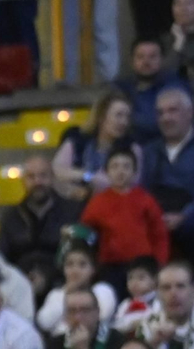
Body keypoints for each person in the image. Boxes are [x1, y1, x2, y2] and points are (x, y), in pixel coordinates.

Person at [83, 148, 170, 286]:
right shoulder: (97, 203)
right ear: (106, 171)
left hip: (142, 264)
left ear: (135, 172)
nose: (120, 171)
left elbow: (159, 234)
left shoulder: (146, 200)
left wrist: (159, 263)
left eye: (126, 166)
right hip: (109, 265)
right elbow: (86, 233)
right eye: (115, 166)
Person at [0, 157, 85, 272]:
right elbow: (2, 260)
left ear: (53, 178)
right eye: (31, 177)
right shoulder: (11, 217)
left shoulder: (73, 212)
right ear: (23, 181)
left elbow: (82, 257)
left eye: (43, 176)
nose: (37, 182)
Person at [53, 89, 140, 198]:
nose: (124, 122)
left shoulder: (131, 148)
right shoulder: (78, 140)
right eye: (119, 115)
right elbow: (58, 170)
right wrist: (89, 176)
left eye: (127, 117)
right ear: (101, 116)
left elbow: (135, 182)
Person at [139, 87, 194, 256]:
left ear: (190, 112)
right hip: (154, 228)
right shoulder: (148, 152)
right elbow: (141, 191)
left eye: (172, 111)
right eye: (160, 113)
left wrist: (185, 217)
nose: (166, 118)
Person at [116, 38, 191, 145]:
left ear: (162, 59)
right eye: (140, 57)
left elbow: (153, 123)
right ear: (132, 61)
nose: (146, 62)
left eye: (152, 56)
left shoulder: (174, 85)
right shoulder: (123, 86)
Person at [36, 246, 120, 335]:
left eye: (82, 265)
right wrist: (66, 292)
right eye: (69, 264)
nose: (75, 270)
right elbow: (44, 323)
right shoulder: (56, 294)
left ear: (93, 269)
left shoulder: (103, 290)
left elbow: (101, 316)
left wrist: (61, 327)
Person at [138, 260, 194, 349]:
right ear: (157, 292)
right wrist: (155, 342)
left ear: (192, 289)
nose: (173, 294)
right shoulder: (146, 325)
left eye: (180, 286)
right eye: (166, 288)